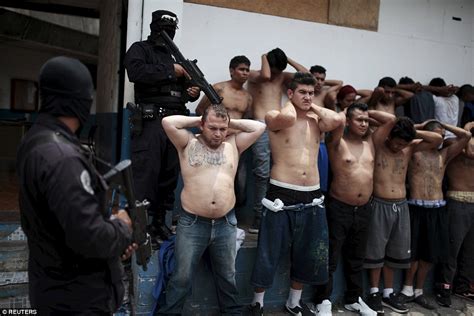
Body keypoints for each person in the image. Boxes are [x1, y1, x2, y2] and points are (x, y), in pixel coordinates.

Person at [16, 56, 136, 314]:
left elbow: (68, 224)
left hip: (54, 286)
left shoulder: (36, 140)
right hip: (77, 299)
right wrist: (122, 227)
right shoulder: (63, 158)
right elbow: (90, 237)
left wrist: (113, 243)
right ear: (82, 101)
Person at [156, 104, 266, 315]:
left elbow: (258, 128)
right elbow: (167, 122)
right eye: (212, 128)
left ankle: (232, 313)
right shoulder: (187, 142)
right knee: (182, 276)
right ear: (202, 125)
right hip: (193, 223)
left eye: (222, 129)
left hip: (226, 222)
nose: (217, 134)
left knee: (227, 275)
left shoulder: (233, 144)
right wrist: (199, 119)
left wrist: (228, 122)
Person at [249, 72, 343, 316]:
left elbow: (336, 121)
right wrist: (295, 103)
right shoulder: (275, 114)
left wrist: (314, 107)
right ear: (289, 93)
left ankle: (294, 302)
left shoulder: (316, 120)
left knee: (306, 251)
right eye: (302, 92)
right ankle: (257, 302)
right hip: (282, 190)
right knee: (269, 250)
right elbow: (287, 118)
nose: (308, 97)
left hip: (311, 194)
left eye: (311, 93)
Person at [124, 10, 200, 241]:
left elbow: (183, 93)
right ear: (153, 27)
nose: (167, 34)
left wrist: (191, 93)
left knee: (169, 175)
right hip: (151, 122)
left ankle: (159, 223)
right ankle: (140, 227)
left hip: (176, 124)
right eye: (163, 28)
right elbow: (135, 72)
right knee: (145, 176)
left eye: (171, 30)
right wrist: (171, 71)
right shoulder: (140, 49)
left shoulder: (177, 57)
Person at [320, 104, 396, 316]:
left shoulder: (371, 142)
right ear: (348, 122)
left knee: (356, 258)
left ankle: (353, 299)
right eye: (359, 120)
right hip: (339, 207)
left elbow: (390, 120)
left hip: (363, 209)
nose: (364, 124)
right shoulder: (337, 142)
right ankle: (323, 301)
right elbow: (335, 121)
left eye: (366, 121)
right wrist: (347, 112)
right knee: (331, 257)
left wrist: (366, 113)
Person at [364, 116, 443, 314]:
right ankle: (374, 292)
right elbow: (387, 120)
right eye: (397, 142)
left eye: (403, 143)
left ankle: (388, 293)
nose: (399, 147)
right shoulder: (378, 143)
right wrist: (398, 126)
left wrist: (412, 132)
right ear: (390, 136)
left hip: (401, 206)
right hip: (379, 203)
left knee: (395, 251)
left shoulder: (409, 148)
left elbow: (436, 139)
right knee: (376, 251)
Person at [399, 121, 471, 310]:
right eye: (437, 135)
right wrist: (426, 126)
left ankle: (419, 291)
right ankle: (407, 289)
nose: (441, 139)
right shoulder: (414, 151)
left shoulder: (444, 155)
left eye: (443, 136)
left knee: (429, 254)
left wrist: (444, 125)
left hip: (437, 207)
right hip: (416, 205)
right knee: (413, 251)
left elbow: (465, 137)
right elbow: (408, 134)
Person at [247, 48, 308, 234]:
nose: (275, 74)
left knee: (283, 170)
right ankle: (258, 218)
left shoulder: (281, 76)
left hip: (280, 125)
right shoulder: (255, 75)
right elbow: (265, 75)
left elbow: (306, 75)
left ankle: (277, 213)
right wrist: (264, 55)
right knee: (262, 173)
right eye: (275, 69)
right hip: (261, 124)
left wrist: (286, 59)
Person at [196, 55, 253, 207]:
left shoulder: (247, 97)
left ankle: (231, 215)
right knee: (211, 178)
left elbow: (245, 122)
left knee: (236, 181)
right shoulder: (219, 88)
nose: (245, 73)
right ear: (231, 71)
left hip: (235, 144)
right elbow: (200, 110)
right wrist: (208, 135)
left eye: (247, 70)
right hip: (214, 141)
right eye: (241, 69)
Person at [436, 121, 474, 306]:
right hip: (457, 200)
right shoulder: (453, 144)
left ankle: (463, 286)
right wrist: (467, 129)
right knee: (453, 248)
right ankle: (444, 287)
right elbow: (470, 151)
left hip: (472, 202)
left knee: (469, 250)